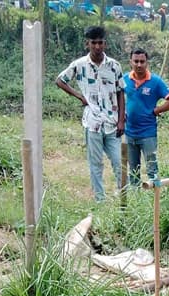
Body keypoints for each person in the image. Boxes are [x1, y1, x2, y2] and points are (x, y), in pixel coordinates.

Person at [56, 26, 126, 202]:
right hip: (92, 122)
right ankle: (100, 201)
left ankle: (124, 198)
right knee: (96, 164)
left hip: (112, 122)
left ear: (105, 44)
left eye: (100, 42)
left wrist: (121, 121)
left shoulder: (114, 66)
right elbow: (60, 80)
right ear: (87, 43)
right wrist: (80, 96)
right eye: (93, 43)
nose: (97, 46)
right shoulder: (79, 65)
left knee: (119, 163)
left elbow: (120, 92)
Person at [123, 49, 169, 188]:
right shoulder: (124, 79)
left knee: (152, 169)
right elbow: (114, 97)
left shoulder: (155, 81)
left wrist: (156, 110)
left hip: (148, 133)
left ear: (147, 63)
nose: (139, 64)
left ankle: (155, 201)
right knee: (133, 170)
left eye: (142, 61)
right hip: (129, 132)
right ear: (131, 62)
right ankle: (136, 199)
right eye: (136, 61)